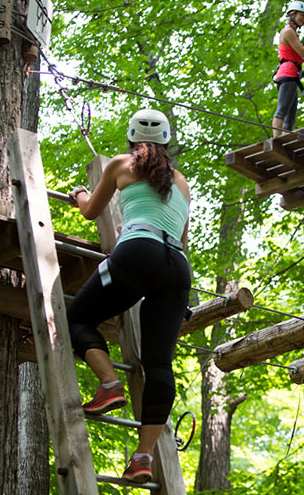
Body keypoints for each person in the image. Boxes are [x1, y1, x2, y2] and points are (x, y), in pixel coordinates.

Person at [66, 109, 191, 484]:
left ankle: (108, 384)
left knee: (77, 317)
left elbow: (91, 212)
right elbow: (183, 239)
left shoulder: (121, 164)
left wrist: (79, 194)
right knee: (158, 364)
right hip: (177, 268)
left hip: (138, 251)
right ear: (168, 142)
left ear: (131, 138)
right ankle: (143, 457)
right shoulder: (181, 182)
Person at [271, 0, 304, 138]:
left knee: (291, 113)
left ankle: (285, 138)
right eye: (301, 16)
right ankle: (277, 139)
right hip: (288, 73)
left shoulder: (292, 33)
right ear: (292, 14)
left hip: (292, 74)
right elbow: (302, 52)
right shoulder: (288, 31)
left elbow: (300, 56)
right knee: (283, 110)